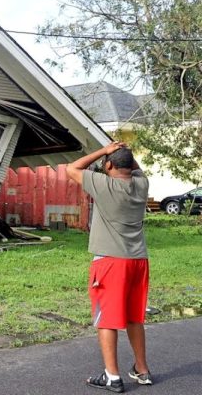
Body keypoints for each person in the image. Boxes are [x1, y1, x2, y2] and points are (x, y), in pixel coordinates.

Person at [65, 142, 153, 393]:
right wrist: (123, 155)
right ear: (130, 165)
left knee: (107, 320)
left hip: (111, 262)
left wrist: (105, 150)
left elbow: (72, 168)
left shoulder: (104, 184)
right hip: (138, 261)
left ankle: (112, 376)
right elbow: (134, 168)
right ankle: (142, 370)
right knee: (134, 317)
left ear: (109, 165)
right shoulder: (141, 184)